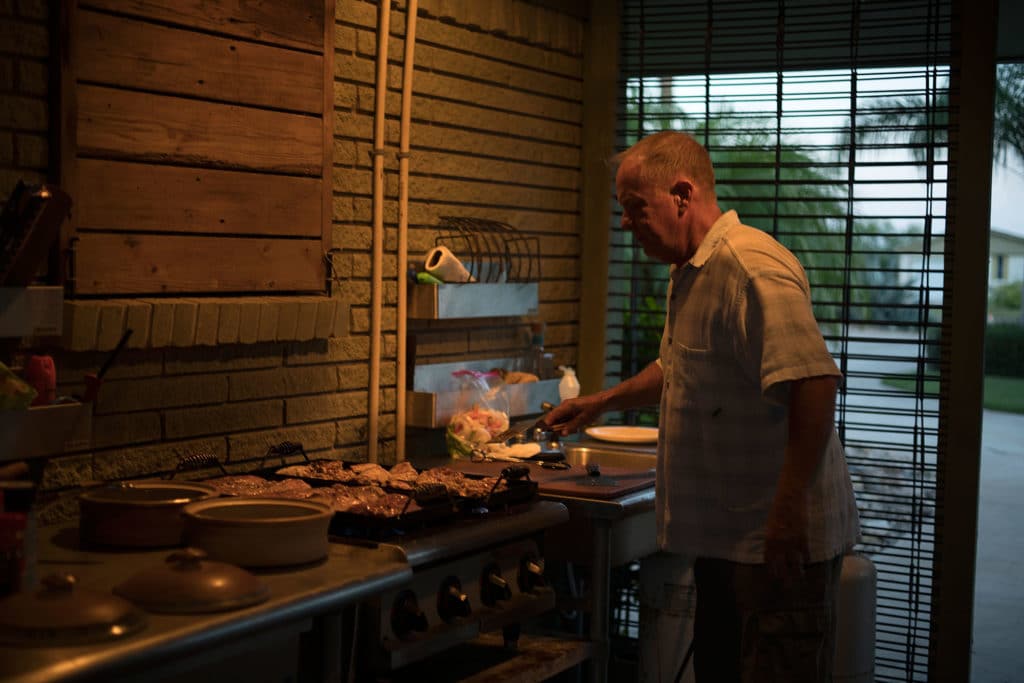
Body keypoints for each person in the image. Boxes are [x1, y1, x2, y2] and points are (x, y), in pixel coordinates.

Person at [544, 130, 860, 683]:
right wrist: (600, 402)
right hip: (727, 541)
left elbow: (813, 383)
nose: (625, 223)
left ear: (682, 195)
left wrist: (787, 512)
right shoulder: (690, 271)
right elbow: (677, 365)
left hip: (776, 545)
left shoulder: (750, 267)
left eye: (635, 208)